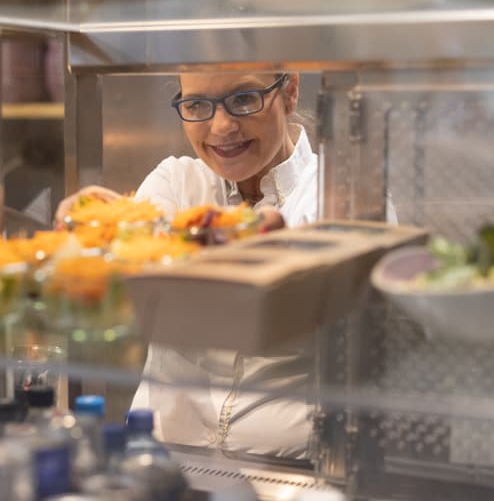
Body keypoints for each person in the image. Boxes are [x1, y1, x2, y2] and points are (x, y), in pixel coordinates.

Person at [55, 72, 390, 460]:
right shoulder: (176, 180)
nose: (221, 126)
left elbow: (368, 336)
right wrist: (84, 233)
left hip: (295, 470)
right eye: (197, 105)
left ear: (291, 92)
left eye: (244, 98)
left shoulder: (342, 195)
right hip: (160, 455)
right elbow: (127, 272)